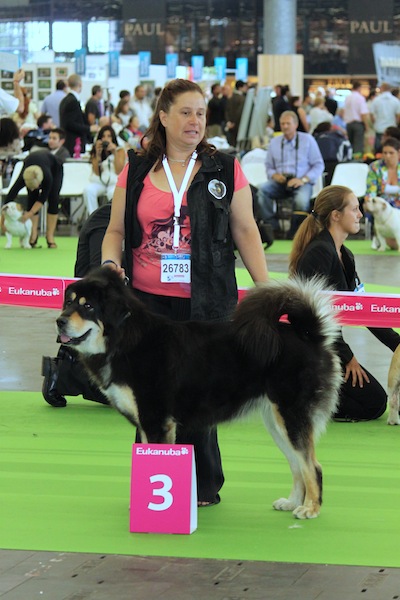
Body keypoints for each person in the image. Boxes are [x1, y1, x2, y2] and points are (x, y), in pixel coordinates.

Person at [100, 78, 269, 506]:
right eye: (185, 112)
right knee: (149, 394)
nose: (195, 121)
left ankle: (203, 484)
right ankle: (156, 484)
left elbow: (246, 230)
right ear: (163, 116)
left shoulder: (225, 168)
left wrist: (268, 293)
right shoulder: (135, 168)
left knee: (200, 391)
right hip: (145, 303)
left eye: (201, 113)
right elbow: (116, 230)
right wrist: (108, 264)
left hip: (207, 299)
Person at [289, 184, 400, 421]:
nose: (360, 214)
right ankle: (297, 394)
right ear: (336, 215)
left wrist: (397, 343)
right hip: (307, 348)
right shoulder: (318, 253)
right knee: (373, 404)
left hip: (327, 346)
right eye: (355, 209)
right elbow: (312, 317)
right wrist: (347, 357)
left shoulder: (344, 255)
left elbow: (362, 309)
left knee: (373, 401)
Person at [42, 203, 112, 409]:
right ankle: (63, 372)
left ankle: (65, 369)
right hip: (88, 302)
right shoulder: (106, 218)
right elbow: (97, 271)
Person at [258, 110, 324, 238]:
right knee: (261, 191)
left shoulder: (308, 140)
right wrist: (274, 175)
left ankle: (296, 233)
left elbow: (319, 164)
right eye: (282, 124)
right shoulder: (274, 142)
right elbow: (269, 166)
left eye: (288, 123)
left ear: (296, 124)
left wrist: (303, 179)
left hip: (301, 182)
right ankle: (272, 227)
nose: (285, 126)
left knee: (301, 200)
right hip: (280, 182)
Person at [5, 150, 64, 248]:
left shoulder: (47, 178)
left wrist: (29, 214)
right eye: (29, 187)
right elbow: (10, 196)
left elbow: (42, 199)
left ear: (40, 182)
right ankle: (33, 235)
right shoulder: (24, 177)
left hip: (55, 168)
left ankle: (50, 236)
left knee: (53, 198)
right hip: (32, 165)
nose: (32, 189)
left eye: (34, 187)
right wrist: (3, 220)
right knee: (32, 198)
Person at [83, 125, 126, 215]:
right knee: (88, 190)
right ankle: (93, 217)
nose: (106, 139)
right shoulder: (97, 149)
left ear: (113, 138)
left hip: (114, 182)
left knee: (113, 193)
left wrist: (114, 152)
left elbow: (119, 170)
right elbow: (96, 172)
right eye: (103, 136)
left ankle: (111, 220)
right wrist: (97, 154)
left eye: (109, 136)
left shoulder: (120, 150)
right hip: (100, 182)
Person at [59, 74, 99, 155]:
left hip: (67, 140)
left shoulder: (64, 100)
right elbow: (71, 124)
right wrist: (89, 128)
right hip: (74, 142)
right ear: (80, 84)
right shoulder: (73, 101)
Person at [365, 137, 400, 208]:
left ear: (399, 153)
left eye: (391, 153)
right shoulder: (375, 167)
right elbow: (370, 191)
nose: (387, 156)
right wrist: (369, 204)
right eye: (385, 153)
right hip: (380, 206)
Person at [369, 83, 400, 153]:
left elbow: (371, 115)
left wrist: (375, 123)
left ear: (381, 88)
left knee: (378, 150)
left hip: (379, 128)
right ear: (390, 89)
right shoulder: (395, 101)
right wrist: (396, 124)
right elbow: (398, 116)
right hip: (392, 129)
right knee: (393, 149)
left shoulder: (376, 100)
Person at [343, 80, 369, 157]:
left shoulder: (347, 97)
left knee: (351, 144)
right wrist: (366, 125)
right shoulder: (360, 98)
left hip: (348, 124)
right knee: (358, 144)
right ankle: (357, 161)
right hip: (358, 124)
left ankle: (349, 158)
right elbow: (363, 113)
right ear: (359, 88)